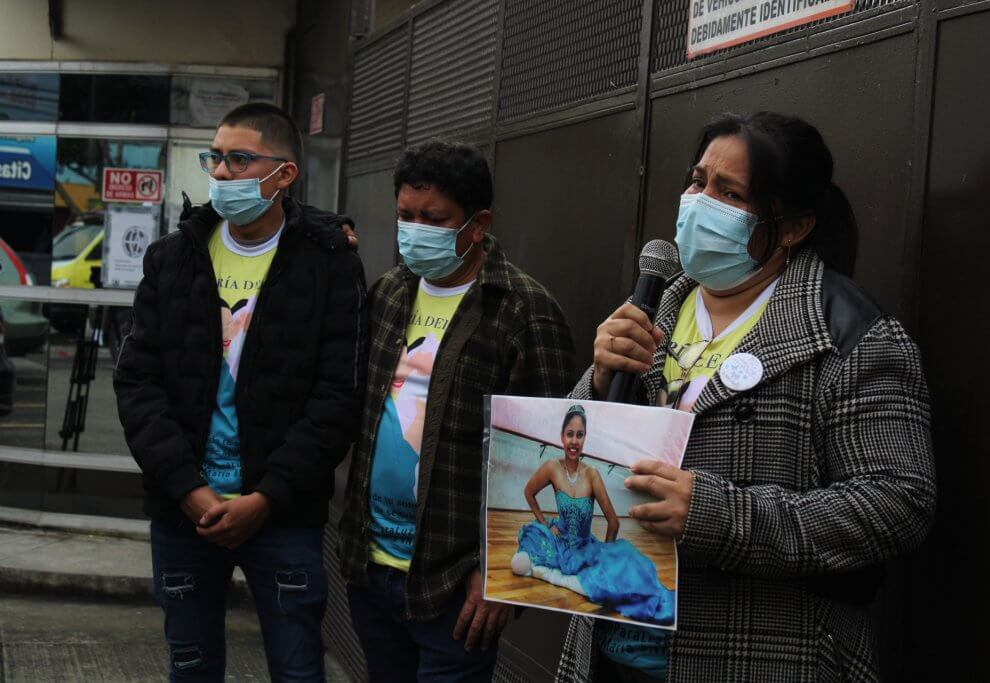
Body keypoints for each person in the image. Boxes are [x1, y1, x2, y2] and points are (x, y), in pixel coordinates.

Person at [556, 112, 936, 682]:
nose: (699, 201)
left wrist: (720, 515)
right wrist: (600, 381)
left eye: (728, 193)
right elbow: (572, 447)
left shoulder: (852, 335)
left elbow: (898, 503)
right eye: (697, 180)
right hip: (608, 645)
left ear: (793, 226)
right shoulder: (652, 307)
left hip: (758, 652)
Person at [114, 102, 367, 681]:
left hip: (282, 516)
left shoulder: (329, 265)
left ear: (284, 174)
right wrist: (187, 488)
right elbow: (137, 382)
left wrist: (267, 496)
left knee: (298, 669)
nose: (221, 172)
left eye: (239, 158)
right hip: (186, 516)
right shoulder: (172, 259)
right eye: (215, 157)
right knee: (191, 667)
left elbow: (338, 397)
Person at [337, 139, 577, 682]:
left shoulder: (525, 312)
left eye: (434, 218)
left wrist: (503, 577)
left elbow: (553, 457)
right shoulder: (389, 294)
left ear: (478, 223)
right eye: (405, 215)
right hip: (371, 569)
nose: (414, 229)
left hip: (456, 586)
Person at [512, 404, 675, 626]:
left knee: (628, 564)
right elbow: (529, 492)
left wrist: (605, 560)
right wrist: (545, 523)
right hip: (558, 539)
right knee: (523, 555)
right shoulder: (551, 467)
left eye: (579, 435)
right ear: (562, 437)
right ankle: (547, 570)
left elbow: (613, 522)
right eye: (570, 434)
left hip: (584, 548)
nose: (574, 441)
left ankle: (561, 575)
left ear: (584, 439)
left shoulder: (592, 475)